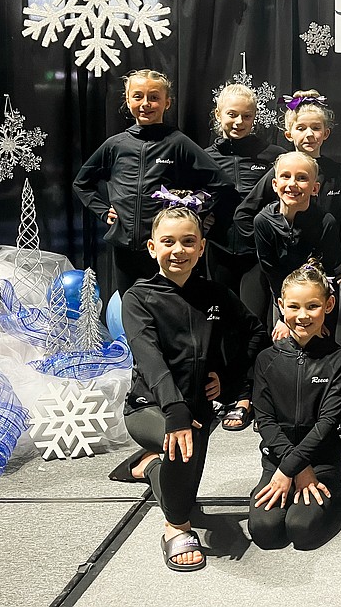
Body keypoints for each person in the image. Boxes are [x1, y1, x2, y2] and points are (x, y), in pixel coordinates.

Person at [115, 206, 267, 572]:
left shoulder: (215, 293)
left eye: (188, 242)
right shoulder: (138, 298)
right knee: (183, 455)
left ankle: (149, 467)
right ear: (153, 248)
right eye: (168, 242)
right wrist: (174, 410)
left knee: (181, 483)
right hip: (150, 407)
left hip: (197, 409)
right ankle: (174, 528)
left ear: (201, 248)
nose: (178, 250)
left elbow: (255, 332)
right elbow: (149, 358)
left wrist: (228, 378)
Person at [73, 69, 232, 296]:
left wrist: (195, 211)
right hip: (124, 248)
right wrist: (101, 211)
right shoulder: (115, 145)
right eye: (138, 96)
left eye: (154, 97)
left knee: (166, 305)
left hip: (164, 249)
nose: (146, 103)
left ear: (167, 103)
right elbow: (82, 183)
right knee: (131, 306)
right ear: (128, 100)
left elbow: (221, 184)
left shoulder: (178, 143)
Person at [249, 261, 341, 551]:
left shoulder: (340, 360)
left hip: (321, 462)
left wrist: (298, 469)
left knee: (302, 531)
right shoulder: (266, 359)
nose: (303, 316)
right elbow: (265, 421)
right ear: (281, 306)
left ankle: (340, 496)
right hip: (278, 461)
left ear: (329, 305)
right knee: (265, 531)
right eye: (294, 307)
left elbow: (327, 423)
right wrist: (287, 469)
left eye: (313, 306)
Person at [236, 91, 341, 290]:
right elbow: (244, 214)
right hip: (287, 273)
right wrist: (267, 249)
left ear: (326, 132)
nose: (309, 134)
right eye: (301, 128)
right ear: (289, 134)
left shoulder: (338, 173)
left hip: (326, 271)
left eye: (316, 128)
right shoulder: (279, 172)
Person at [203, 83, 286, 311]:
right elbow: (188, 197)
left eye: (246, 116)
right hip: (219, 250)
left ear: (254, 117)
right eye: (232, 114)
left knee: (254, 320)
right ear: (218, 115)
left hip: (258, 253)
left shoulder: (275, 156)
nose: (239, 122)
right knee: (221, 318)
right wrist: (200, 219)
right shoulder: (204, 157)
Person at [252, 152, 341, 338]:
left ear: (314, 188)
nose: (292, 184)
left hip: (319, 299)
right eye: (285, 176)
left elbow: (330, 272)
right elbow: (271, 271)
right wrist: (284, 315)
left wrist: (320, 317)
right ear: (274, 184)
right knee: (283, 341)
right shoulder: (263, 221)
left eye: (302, 178)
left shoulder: (326, 222)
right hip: (282, 297)